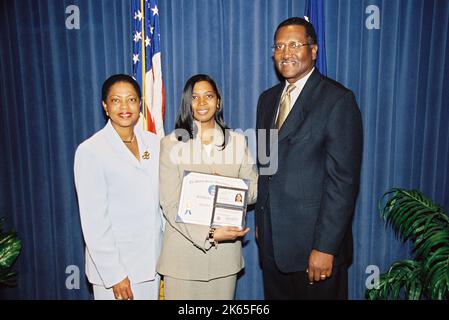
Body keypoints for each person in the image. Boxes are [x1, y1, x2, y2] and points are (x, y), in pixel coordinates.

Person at [255, 17, 363, 299]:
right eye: (279, 46)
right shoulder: (267, 100)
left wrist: (326, 247)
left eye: (294, 44)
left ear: (313, 50)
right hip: (273, 248)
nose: (285, 53)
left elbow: (343, 182)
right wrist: (261, 225)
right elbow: (266, 165)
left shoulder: (338, 100)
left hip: (314, 252)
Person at [157, 74, 258, 300]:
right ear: (187, 103)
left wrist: (229, 186)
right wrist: (210, 233)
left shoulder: (237, 141)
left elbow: (254, 190)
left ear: (218, 101)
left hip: (224, 259)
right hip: (182, 259)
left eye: (209, 96)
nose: (202, 103)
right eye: (195, 97)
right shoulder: (171, 143)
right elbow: (170, 204)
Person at [74, 74, 163, 300]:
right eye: (116, 100)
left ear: (140, 103)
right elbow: (94, 221)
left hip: (151, 263)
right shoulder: (91, 151)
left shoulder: (154, 143)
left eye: (131, 99)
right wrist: (114, 275)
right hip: (116, 270)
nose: (125, 107)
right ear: (105, 106)